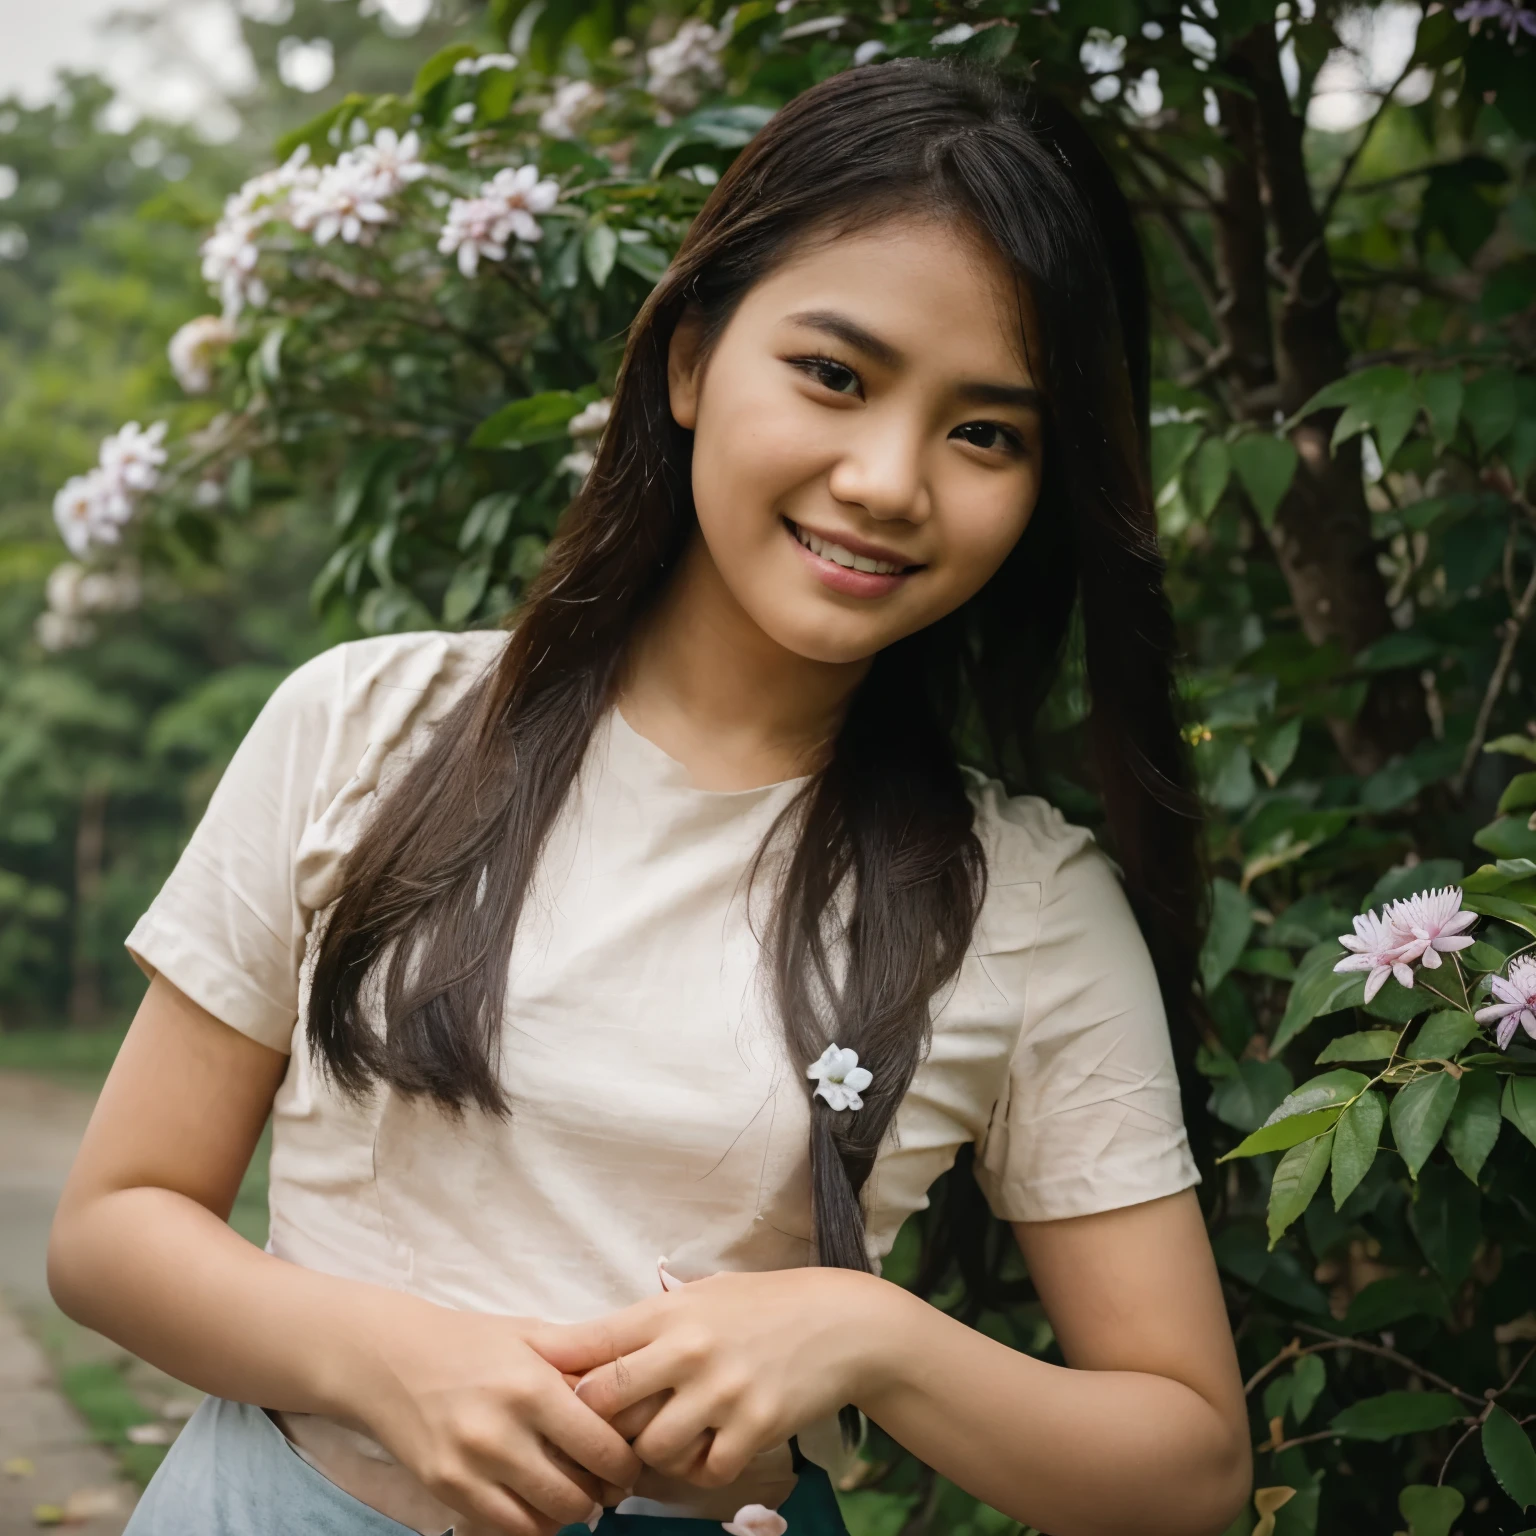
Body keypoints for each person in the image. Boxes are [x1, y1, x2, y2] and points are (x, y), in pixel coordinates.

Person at [48, 56, 1251, 1536]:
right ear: (690, 360)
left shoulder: (1024, 904)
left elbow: (1188, 1467)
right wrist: (389, 1363)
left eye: (986, 431)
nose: (887, 478)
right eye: (834, 374)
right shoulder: (369, 723)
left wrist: (868, 1335)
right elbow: (112, 1231)